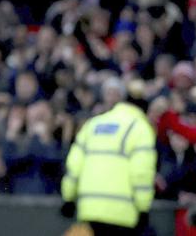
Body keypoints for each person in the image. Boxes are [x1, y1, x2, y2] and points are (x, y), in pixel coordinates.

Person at [60, 78, 156, 236]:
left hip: (89, 210)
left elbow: (74, 165)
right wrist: (143, 208)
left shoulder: (93, 124)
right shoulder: (140, 128)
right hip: (123, 214)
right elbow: (141, 172)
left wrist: (68, 198)